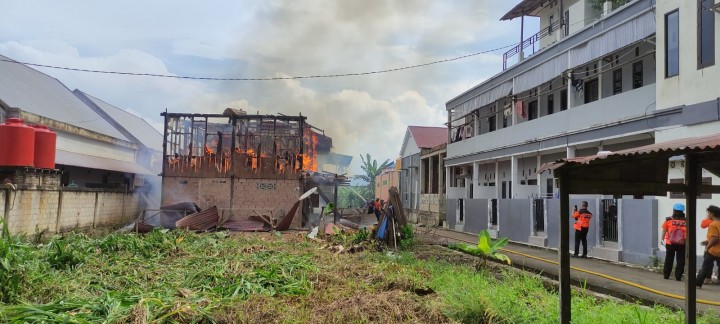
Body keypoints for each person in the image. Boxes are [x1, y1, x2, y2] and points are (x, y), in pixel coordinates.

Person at [660, 203, 686, 281]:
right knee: (681, 260)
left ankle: (666, 275)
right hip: (682, 243)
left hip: (670, 242)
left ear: (674, 210)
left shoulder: (669, 220)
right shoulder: (686, 221)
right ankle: (678, 276)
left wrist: (662, 239)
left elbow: (664, 230)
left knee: (669, 258)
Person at [697, 205, 720, 288]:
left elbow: (715, 238)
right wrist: (707, 241)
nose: (708, 215)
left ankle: (697, 283)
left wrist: (707, 246)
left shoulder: (713, 224)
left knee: (705, 267)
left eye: (708, 213)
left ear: (712, 214)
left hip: (713, 250)